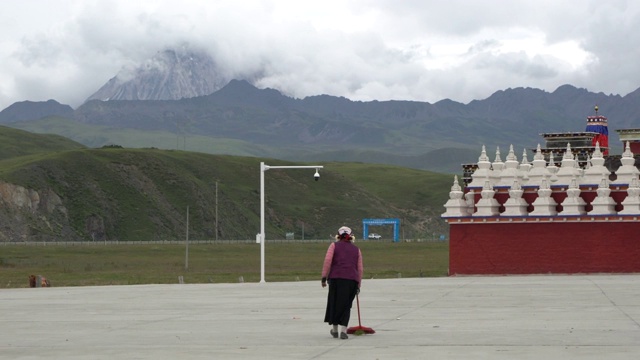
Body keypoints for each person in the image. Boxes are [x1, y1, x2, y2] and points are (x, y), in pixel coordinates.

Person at [321, 226, 363, 339]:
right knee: (346, 305)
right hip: (352, 280)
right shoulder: (356, 249)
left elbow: (327, 261)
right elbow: (360, 269)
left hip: (336, 279)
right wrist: (358, 285)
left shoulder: (334, 246)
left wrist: (324, 278)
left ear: (338, 235)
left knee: (334, 303)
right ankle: (343, 331)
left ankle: (334, 330)